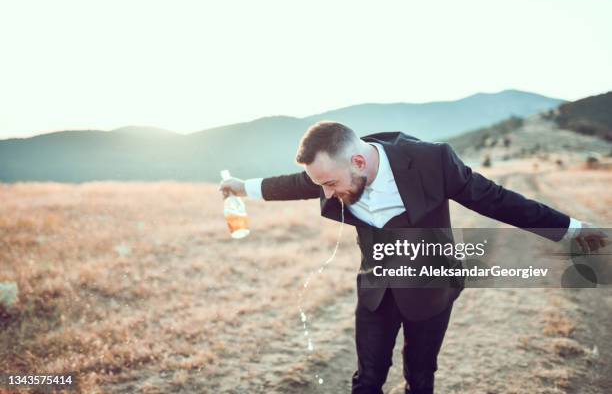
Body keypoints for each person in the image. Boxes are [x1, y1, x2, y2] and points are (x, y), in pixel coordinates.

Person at [219, 121, 607, 394]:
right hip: (375, 292)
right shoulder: (333, 169)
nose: (327, 193)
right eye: (322, 185)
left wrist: (572, 230)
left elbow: (499, 202)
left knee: (420, 378)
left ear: (358, 162)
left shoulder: (431, 161)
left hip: (432, 290)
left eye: (331, 184)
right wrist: (242, 187)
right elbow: (296, 183)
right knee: (367, 380)